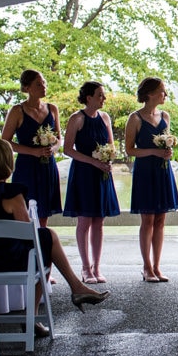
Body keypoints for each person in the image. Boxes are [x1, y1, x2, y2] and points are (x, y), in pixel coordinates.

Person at [0, 139, 109, 337]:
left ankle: (76, 287)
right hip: (8, 261)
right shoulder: (11, 193)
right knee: (45, 238)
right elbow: (28, 234)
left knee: (45, 238)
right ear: (6, 162)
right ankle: (40, 309)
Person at [63, 81, 121, 284]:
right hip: (84, 173)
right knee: (85, 220)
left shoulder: (105, 117)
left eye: (103, 95)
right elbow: (67, 149)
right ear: (88, 98)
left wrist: (107, 160)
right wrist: (93, 162)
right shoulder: (77, 119)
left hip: (101, 173)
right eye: (100, 95)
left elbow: (111, 146)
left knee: (99, 220)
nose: (103, 99)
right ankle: (86, 268)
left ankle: (97, 267)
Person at [124, 77, 178, 283]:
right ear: (150, 94)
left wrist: (168, 151)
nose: (165, 95)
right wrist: (154, 153)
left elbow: (166, 143)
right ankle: (146, 267)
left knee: (160, 219)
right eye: (162, 91)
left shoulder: (165, 115)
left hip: (163, 171)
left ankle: (157, 266)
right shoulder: (135, 118)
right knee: (147, 220)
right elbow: (129, 150)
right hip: (145, 171)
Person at [1, 69, 63, 226]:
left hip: (47, 166)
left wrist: (53, 149)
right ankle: (26, 245)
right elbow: (5, 141)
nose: (43, 86)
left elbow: (58, 139)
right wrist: (33, 151)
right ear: (27, 87)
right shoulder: (17, 110)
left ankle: (41, 244)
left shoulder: (52, 108)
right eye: (39, 84)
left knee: (44, 211)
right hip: (26, 167)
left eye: (44, 83)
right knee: (25, 210)